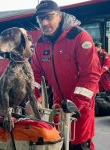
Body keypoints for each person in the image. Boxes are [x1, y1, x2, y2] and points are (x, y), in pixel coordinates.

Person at [32, 0, 101, 149]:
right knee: (60, 144)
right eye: (40, 19)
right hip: (57, 107)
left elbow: (91, 76)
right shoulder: (41, 44)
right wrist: (33, 97)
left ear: (59, 16)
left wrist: (73, 106)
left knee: (80, 144)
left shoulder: (79, 37)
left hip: (80, 109)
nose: (44, 23)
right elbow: (35, 74)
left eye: (48, 17)